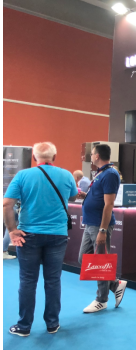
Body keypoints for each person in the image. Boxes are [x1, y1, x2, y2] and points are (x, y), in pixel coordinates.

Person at [3, 142, 77, 336]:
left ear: (35, 157)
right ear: (55, 156)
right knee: (53, 280)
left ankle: (24, 326)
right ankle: (52, 323)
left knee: (28, 280)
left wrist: (12, 230)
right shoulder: (66, 175)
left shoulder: (23, 175)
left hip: (28, 234)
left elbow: (6, 204)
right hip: (58, 234)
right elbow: (73, 196)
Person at [77, 144, 127, 313]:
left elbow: (109, 204)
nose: (91, 156)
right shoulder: (101, 173)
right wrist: (86, 196)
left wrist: (103, 230)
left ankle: (102, 300)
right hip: (90, 223)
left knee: (100, 262)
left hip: (99, 225)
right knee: (84, 259)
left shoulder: (110, 174)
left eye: (92, 154)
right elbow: (100, 197)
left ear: (97, 156)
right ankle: (115, 284)